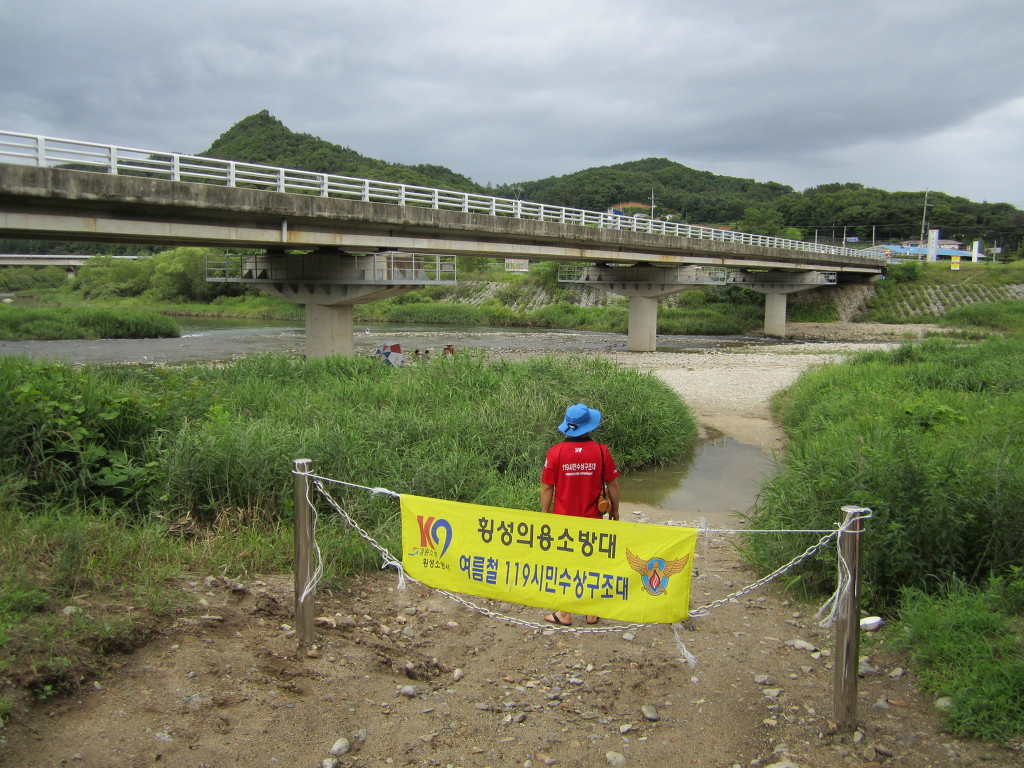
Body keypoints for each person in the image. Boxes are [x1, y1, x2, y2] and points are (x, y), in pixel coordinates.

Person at [540, 403, 620, 626]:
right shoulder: (601, 451)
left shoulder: (555, 452)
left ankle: (564, 613)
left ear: (568, 426)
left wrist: (544, 517)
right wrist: (615, 510)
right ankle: (591, 612)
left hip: (563, 521)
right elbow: (612, 484)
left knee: (564, 565)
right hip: (593, 520)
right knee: (592, 564)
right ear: (590, 427)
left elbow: (547, 488)